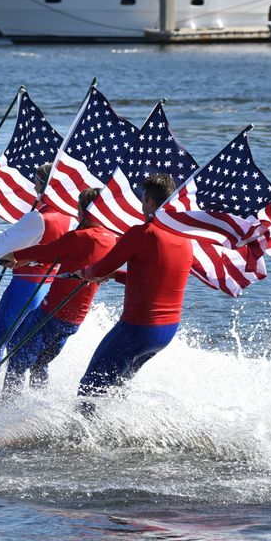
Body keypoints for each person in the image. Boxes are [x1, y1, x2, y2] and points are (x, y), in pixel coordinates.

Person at [75, 173, 193, 413]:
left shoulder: (143, 233)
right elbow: (155, 281)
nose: (141, 203)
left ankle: (78, 443)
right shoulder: (184, 237)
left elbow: (100, 268)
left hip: (138, 329)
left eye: (142, 198)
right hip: (165, 332)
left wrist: (84, 273)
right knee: (115, 386)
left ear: (150, 201)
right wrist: (117, 276)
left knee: (89, 387)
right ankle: (116, 431)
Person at [0, 188, 116, 399]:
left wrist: (15, 255)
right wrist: (24, 259)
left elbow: (48, 251)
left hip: (52, 313)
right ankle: (36, 406)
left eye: (79, 208)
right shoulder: (110, 239)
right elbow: (64, 257)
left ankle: (6, 408)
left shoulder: (79, 237)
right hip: (74, 320)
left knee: (16, 355)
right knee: (40, 361)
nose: (77, 213)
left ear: (87, 211)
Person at [0, 163, 73, 370]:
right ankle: (28, 394)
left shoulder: (38, 217)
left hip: (24, 287)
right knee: (23, 345)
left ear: (44, 185)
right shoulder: (69, 216)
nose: (34, 185)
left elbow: (0, 244)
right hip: (48, 287)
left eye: (37, 181)